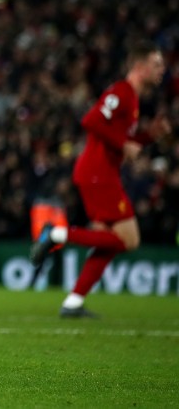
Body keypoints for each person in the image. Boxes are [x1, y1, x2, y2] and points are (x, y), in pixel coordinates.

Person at [30, 41, 170, 317]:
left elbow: (124, 143)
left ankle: (73, 303)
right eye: (156, 64)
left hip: (100, 172)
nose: (162, 70)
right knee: (130, 240)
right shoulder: (122, 91)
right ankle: (56, 233)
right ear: (139, 67)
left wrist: (149, 135)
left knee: (107, 240)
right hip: (98, 173)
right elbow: (91, 120)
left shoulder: (133, 99)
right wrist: (123, 143)